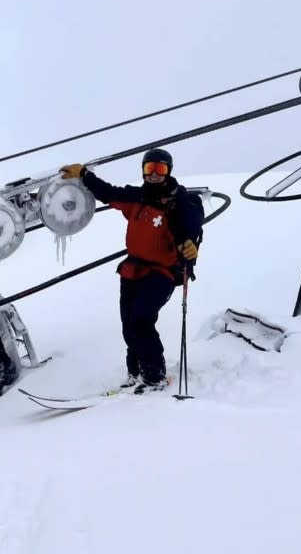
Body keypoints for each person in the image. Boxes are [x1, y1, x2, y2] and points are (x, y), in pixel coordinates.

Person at [60, 148, 203, 393]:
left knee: (141, 319)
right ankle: (135, 372)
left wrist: (191, 244)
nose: (155, 174)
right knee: (129, 324)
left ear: (169, 171)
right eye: (150, 169)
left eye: (160, 169)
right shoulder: (137, 197)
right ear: (143, 171)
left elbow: (191, 226)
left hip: (162, 272)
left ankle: (154, 375)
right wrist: (84, 174)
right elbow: (108, 193)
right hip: (132, 270)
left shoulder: (179, 201)